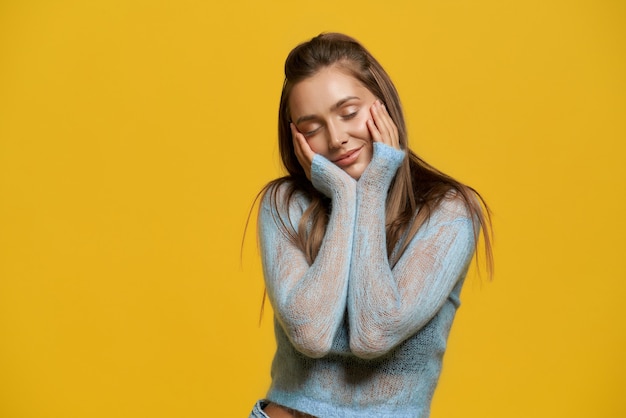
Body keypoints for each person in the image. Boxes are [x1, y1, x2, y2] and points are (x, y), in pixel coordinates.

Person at [249, 32, 493, 418]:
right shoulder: (285, 204)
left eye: (348, 113)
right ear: (295, 136)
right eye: (312, 127)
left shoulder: (449, 211)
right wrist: (346, 196)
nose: (337, 138)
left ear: (383, 103)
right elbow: (310, 333)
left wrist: (374, 184)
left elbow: (373, 331)